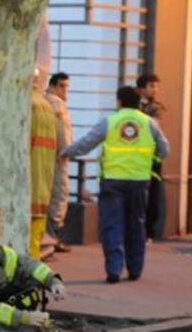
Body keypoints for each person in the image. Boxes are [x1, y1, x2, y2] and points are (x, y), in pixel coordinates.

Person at [62, 86, 170, 283]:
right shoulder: (150, 123)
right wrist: (149, 159)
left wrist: (67, 152)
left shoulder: (110, 121)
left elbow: (87, 143)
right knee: (136, 225)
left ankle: (113, 270)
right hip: (139, 181)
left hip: (113, 181)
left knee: (112, 225)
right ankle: (135, 270)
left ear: (119, 102)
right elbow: (164, 149)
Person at [29, 72, 58, 260]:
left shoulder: (24, 104)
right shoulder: (47, 107)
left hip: (25, 188)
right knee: (34, 246)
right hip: (42, 189)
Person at [44, 72, 73, 254]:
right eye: (62, 86)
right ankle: (55, 237)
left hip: (44, 155)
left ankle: (48, 236)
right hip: (57, 157)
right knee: (59, 193)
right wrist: (66, 151)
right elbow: (62, 131)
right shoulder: (57, 104)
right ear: (53, 85)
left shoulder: (41, 100)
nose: (65, 91)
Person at [136, 73, 167, 241]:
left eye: (156, 86)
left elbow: (154, 125)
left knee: (153, 194)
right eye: (151, 86)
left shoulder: (157, 107)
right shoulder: (133, 106)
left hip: (152, 157)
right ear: (141, 89)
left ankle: (149, 232)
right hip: (134, 158)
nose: (155, 90)